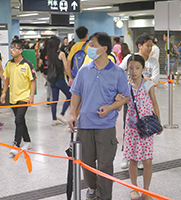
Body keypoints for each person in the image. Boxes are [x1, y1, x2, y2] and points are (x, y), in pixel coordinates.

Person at [68, 32, 130, 200]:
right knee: (86, 164)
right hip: (84, 125)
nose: (89, 48)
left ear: (104, 49)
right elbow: (76, 93)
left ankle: (104, 196)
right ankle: (93, 187)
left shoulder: (117, 72)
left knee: (105, 165)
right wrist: (73, 113)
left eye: (93, 45)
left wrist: (110, 107)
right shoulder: (84, 70)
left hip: (106, 127)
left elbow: (125, 97)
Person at [119, 54, 162, 200]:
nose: (134, 71)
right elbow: (121, 102)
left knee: (147, 160)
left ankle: (146, 190)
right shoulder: (126, 86)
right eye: (131, 68)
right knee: (132, 159)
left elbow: (155, 104)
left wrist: (159, 122)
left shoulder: (148, 85)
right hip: (131, 129)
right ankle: (134, 188)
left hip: (146, 127)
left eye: (137, 68)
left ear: (143, 69)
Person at [119, 33, 160, 170]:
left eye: (151, 45)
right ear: (140, 46)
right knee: (129, 127)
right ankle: (127, 155)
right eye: (148, 45)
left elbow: (155, 79)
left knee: (145, 126)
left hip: (146, 97)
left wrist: (142, 81)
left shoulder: (153, 61)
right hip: (131, 97)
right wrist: (127, 83)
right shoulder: (129, 58)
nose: (150, 48)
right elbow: (119, 72)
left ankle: (142, 156)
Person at [0, 40, 36, 156]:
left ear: (21, 51)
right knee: (20, 120)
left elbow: (33, 81)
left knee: (18, 119)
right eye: (11, 48)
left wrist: (31, 96)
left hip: (24, 96)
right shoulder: (9, 64)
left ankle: (16, 144)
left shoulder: (27, 64)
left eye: (15, 48)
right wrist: (4, 92)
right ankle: (28, 141)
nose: (12, 50)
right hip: (13, 96)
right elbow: (7, 79)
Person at [47, 36, 72, 126]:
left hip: (52, 80)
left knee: (55, 100)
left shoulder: (49, 54)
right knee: (70, 96)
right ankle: (62, 114)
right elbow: (66, 67)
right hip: (60, 80)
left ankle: (54, 119)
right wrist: (70, 77)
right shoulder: (61, 54)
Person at [39, 38, 52, 103]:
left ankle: (48, 98)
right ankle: (51, 98)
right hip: (52, 70)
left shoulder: (43, 51)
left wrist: (41, 70)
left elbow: (40, 62)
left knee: (49, 84)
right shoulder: (52, 51)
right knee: (51, 84)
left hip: (45, 70)